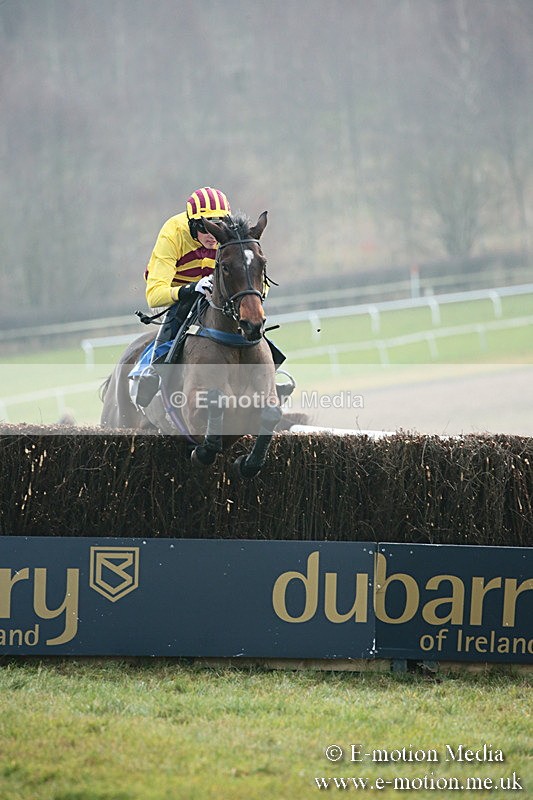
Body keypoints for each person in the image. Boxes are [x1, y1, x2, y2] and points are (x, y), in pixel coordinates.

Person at [134, 187, 232, 407]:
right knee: (180, 314)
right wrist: (191, 289)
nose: (212, 235)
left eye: (218, 227)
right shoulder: (173, 233)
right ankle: (153, 372)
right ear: (192, 224)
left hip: (219, 295)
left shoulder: (230, 233)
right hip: (181, 294)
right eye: (205, 228)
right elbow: (154, 296)